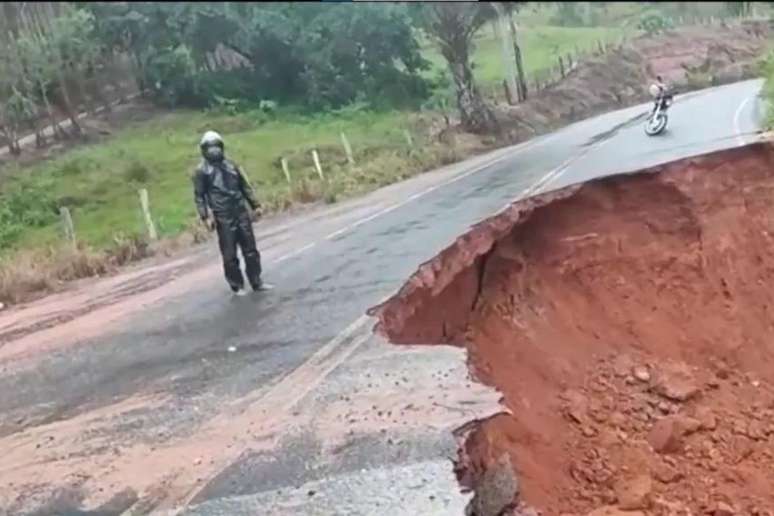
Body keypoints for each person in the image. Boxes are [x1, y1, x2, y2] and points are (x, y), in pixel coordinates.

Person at [193, 131, 272, 295]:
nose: (214, 151)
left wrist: (255, 205)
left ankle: (256, 281)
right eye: (210, 148)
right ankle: (237, 286)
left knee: (251, 250)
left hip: (240, 211)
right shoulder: (201, 171)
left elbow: (244, 187)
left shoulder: (231, 165)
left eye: (216, 147)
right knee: (229, 255)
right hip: (222, 215)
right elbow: (199, 196)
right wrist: (205, 216)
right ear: (204, 150)